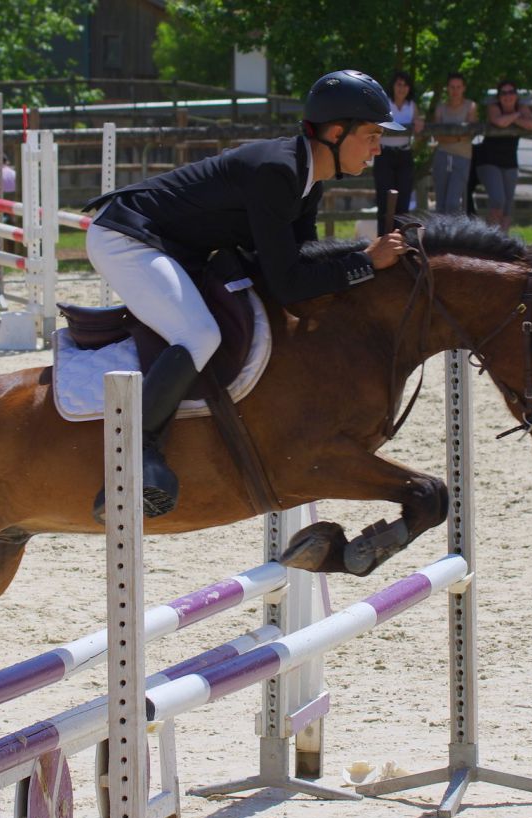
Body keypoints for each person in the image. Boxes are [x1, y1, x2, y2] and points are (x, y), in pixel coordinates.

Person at [82, 69, 409, 520]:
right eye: (372, 135)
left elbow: (304, 259)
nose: (377, 148)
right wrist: (365, 263)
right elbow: (288, 282)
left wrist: (364, 258)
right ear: (337, 132)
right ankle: (133, 458)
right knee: (198, 334)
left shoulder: (306, 177)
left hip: (175, 249)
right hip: (127, 238)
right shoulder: (278, 171)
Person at [476, 81, 532, 230]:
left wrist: (514, 116)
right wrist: (517, 116)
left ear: (516, 95)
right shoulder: (494, 107)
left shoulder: (522, 107)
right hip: (488, 161)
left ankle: (503, 242)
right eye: (504, 93)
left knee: (508, 205)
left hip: (510, 162)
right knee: (498, 201)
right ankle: (490, 239)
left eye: (511, 92)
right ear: (499, 96)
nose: (508, 96)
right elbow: (499, 122)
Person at [372, 71, 424, 230]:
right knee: (384, 201)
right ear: (393, 86)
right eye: (399, 84)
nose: (402, 88)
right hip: (385, 154)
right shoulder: (385, 103)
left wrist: (419, 126)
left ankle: (402, 242)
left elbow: (420, 136)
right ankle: (383, 240)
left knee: (404, 202)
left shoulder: (412, 106)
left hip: (404, 154)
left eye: (405, 85)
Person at [431, 72, 478, 213]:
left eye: (458, 87)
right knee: (441, 202)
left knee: (453, 202)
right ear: (447, 88)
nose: (455, 90)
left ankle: (453, 234)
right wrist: (458, 137)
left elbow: (470, 133)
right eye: (452, 87)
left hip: (462, 157)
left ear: (463, 88)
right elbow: (437, 135)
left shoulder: (471, 106)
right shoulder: (441, 108)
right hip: (442, 156)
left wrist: (450, 137)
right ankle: (439, 234)